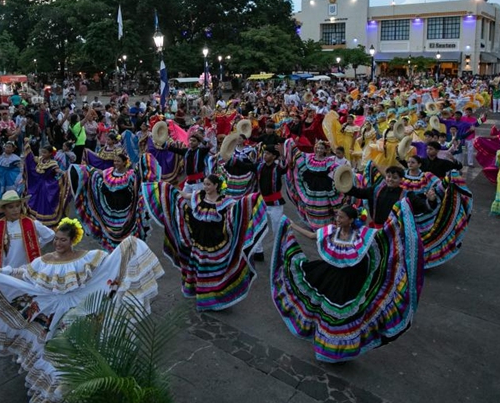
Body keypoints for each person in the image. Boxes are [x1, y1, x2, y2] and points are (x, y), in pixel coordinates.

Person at [0, 219, 164, 403]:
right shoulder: (44, 261)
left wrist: (129, 245)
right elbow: (26, 274)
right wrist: (5, 274)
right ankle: (59, 390)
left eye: (62, 240)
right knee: (56, 350)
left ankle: (89, 385)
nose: (57, 243)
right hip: (53, 311)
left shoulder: (88, 257)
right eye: (56, 239)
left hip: (82, 307)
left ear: (72, 240)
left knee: (83, 345)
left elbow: (108, 267)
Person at [271, 205, 422, 363]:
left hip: (350, 282)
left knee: (340, 317)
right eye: (337, 216)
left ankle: (335, 352)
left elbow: (384, 237)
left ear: (350, 220)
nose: (337, 219)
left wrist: (400, 216)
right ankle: (324, 346)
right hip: (329, 276)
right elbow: (311, 235)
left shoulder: (362, 235)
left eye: (341, 217)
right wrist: (291, 225)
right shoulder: (331, 230)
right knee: (324, 310)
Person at [141, 174, 268, 311]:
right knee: (199, 266)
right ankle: (202, 295)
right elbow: (184, 195)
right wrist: (167, 188)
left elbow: (239, 208)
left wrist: (253, 200)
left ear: (216, 186)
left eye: (208, 184)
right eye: (204, 184)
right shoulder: (198, 196)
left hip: (216, 243)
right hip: (198, 239)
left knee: (213, 269)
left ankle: (213, 296)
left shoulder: (225, 201)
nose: (205, 187)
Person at [69, 153, 148, 250]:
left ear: (124, 162)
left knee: (125, 230)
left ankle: (125, 248)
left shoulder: (130, 174)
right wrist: (85, 169)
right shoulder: (108, 172)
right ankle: (113, 250)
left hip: (126, 209)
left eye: (118, 161)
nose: (116, 163)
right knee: (110, 228)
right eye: (115, 161)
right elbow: (96, 173)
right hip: (109, 209)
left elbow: (140, 178)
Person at [0, 191, 55, 271]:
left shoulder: (31, 223)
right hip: (6, 271)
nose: (15, 210)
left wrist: (36, 244)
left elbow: (50, 234)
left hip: (26, 270)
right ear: (4, 209)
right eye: (11, 207)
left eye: (18, 206)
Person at [283, 139, 343, 229]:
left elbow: (335, 169)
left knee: (325, 208)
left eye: (321, 148)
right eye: (318, 148)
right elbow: (298, 157)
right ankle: (315, 227)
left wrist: (343, 172)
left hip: (325, 189)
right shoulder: (309, 158)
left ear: (325, 150)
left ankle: (325, 228)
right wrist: (291, 144)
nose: (319, 150)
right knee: (311, 207)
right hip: (311, 190)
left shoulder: (329, 161)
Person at [23, 145, 69, 227]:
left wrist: (65, 173)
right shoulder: (40, 159)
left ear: (50, 153)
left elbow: (58, 170)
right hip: (38, 184)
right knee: (35, 200)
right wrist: (28, 150)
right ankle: (35, 216)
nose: (43, 154)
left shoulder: (53, 163)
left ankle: (44, 218)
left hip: (47, 186)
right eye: (42, 152)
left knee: (45, 202)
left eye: (45, 152)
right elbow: (32, 161)